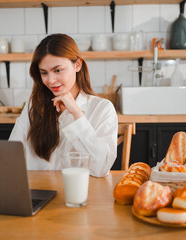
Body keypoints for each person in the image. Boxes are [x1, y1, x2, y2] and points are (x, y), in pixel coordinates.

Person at [9, 33, 117, 177]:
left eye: (57, 70)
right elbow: (10, 156)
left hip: (80, 195)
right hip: (37, 193)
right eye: (44, 73)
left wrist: (77, 115)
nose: (51, 80)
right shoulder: (34, 105)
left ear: (77, 65)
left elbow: (101, 168)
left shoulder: (102, 108)